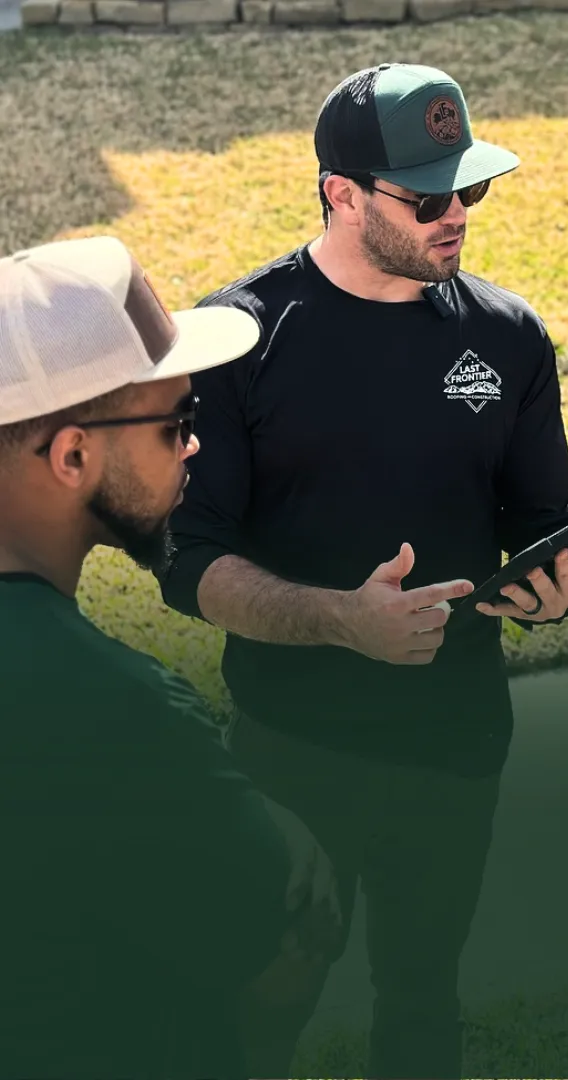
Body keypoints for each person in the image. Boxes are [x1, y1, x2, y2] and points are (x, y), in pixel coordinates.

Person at [154, 62, 568, 1079]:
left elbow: (542, 520)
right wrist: (338, 620)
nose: (458, 216)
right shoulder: (239, 338)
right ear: (342, 193)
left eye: (470, 189)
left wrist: (556, 587)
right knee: (267, 994)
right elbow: (187, 559)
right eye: (428, 198)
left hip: (457, 741)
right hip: (295, 746)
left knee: (423, 995)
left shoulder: (508, 336)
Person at [0, 235, 342, 1080]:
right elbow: (281, 961)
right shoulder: (119, 712)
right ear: (72, 455)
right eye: (177, 424)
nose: (194, 449)